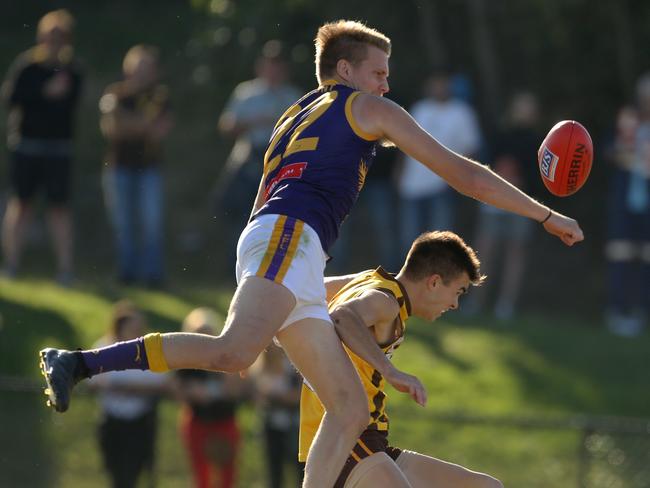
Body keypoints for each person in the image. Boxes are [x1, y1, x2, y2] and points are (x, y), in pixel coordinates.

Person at [39, 20, 583, 488]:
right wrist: (545, 214)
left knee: (347, 408)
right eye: (378, 71)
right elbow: (464, 175)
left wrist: (275, 262)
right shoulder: (365, 108)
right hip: (289, 240)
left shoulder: (295, 113)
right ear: (345, 71)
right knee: (233, 353)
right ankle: (81, 362)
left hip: (285, 244)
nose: (386, 83)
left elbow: (264, 197)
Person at [300, 230, 502, 487]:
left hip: (371, 442)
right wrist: (390, 370)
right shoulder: (387, 302)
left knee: (486, 486)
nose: (455, 305)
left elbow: (306, 290)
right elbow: (342, 316)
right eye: (458, 292)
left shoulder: (367, 280)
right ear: (434, 282)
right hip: (348, 440)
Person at [1, 9, 83, 285]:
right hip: (27, 146)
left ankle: (65, 269)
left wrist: (57, 93)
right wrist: (44, 93)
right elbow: (12, 98)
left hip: (58, 148)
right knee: (21, 205)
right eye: (50, 37)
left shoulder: (72, 70)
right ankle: (11, 264)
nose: (54, 43)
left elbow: (72, 105)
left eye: (60, 38)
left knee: (59, 208)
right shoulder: (27, 67)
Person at [213, 40, 301, 266]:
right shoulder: (246, 93)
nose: (273, 70)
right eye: (269, 64)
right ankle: (237, 262)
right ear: (261, 66)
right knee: (239, 211)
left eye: (278, 65)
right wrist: (253, 122)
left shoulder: (293, 96)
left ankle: (272, 262)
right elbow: (226, 126)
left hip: (280, 162)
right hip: (249, 158)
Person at [464, 91, 543, 320]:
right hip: (493, 201)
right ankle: (476, 301)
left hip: (522, 204)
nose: (524, 111)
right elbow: (485, 165)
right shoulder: (501, 135)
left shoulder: (538, 142)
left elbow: (539, 176)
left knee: (515, 253)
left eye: (529, 107)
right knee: (485, 250)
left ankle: (506, 305)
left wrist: (522, 181)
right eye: (521, 106)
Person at [99, 44, 173, 286]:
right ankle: (127, 273)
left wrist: (128, 123)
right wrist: (142, 124)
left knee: (151, 222)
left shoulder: (160, 97)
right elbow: (112, 129)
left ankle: (153, 275)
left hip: (149, 167)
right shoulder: (116, 95)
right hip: (119, 167)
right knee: (123, 222)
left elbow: (159, 131)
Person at [396, 70, 481, 254]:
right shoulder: (420, 108)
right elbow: (404, 142)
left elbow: (470, 149)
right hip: (411, 184)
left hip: (442, 185)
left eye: (442, 83)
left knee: (439, 240)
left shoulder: (462, 112)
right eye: (434, 83)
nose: (438, 88)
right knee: (409, 238)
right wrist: (400, 171)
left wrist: (459, 179)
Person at [88, 300, 169, 488]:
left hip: (141, 421)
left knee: (136, 472)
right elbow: (94, 382)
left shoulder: (150, 352)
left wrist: (132, 389)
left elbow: (164, 383)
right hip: (112, 421)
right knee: (116, 473)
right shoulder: (103, 348)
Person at [173, 307, 247, 488]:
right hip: (198, 421)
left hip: (224, 421)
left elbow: (237, 388)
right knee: (202, 474)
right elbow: (176, 389)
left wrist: (221, 389)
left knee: (227, 474)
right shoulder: (186, 362)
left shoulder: (227, 358)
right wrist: (193, 392)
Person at [604, 76, 650, 336]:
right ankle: (618, 311)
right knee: (621, 254)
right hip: (624, 201)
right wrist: (623, 152)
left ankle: (642, 311)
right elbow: (606, 149)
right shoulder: (627, 120)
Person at [249, 343, 304, 488]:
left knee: (301, 472)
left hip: (294, 426)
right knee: (274, 473)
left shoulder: (292, 366)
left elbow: (298, 396)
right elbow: (257, 397)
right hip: (271, 426)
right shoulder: (260, 368)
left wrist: (274, 397)